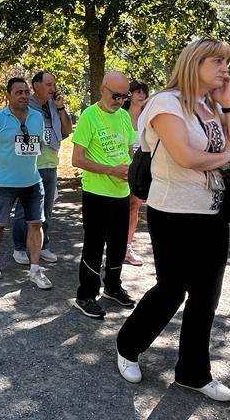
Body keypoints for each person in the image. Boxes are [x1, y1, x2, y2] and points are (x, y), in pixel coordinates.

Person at [114, 39, 230, 404]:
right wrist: (224, 155)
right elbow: (187, 157)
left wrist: (228, 102)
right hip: (172, 211)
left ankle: (193, 372)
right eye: (217, 61)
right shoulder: (165, 103)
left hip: (212, 212)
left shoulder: (211, 105)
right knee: (171, 289)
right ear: (194, 63)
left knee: (206, 297)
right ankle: (128, 346)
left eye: (227, 61)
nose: (224, 68)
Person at [71, 70, 137, 319]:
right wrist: (110, 170)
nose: (120, 101)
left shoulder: (123, 117)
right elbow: (77, 159)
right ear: (102, 89)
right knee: (94, 245)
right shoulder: (90, 116)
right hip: (97, 193)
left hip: (122, 192)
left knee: (119, 244)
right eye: (116, 95)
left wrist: (130, 171)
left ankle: (112, 287)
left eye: (124, 96)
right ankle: (85, 295)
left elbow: (127, 150)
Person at [0, 77, 52, 290]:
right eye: (18, 92)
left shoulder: (37, 118)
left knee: (36, 224)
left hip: (32, 180)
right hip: (5, 183)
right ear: (8, 95)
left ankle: (35, 269)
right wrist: (0, 171)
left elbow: (38, 144)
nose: (23, 95)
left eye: (25, 91)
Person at [12, 71, 72, 266]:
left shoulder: (54, 106)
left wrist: (61, 108)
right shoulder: (25, 104)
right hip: (30, 164)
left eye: (53, 85)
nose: (53, 88)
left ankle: (43, 245)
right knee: (24, 209)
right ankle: (20, 248)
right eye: (48, 85)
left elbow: (67, 130)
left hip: (50, 163)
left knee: (47, 209)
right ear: (36, 85)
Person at [124, 79, 149, 266]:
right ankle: (113, 244)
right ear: (129, 94)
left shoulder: (149, 116)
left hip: (141, 170)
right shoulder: (120, 115)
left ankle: (127, 247)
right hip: (121, 168)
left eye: (144, 92)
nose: (141, 95)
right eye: (137, 91)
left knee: (134, 206)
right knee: (117, 207)